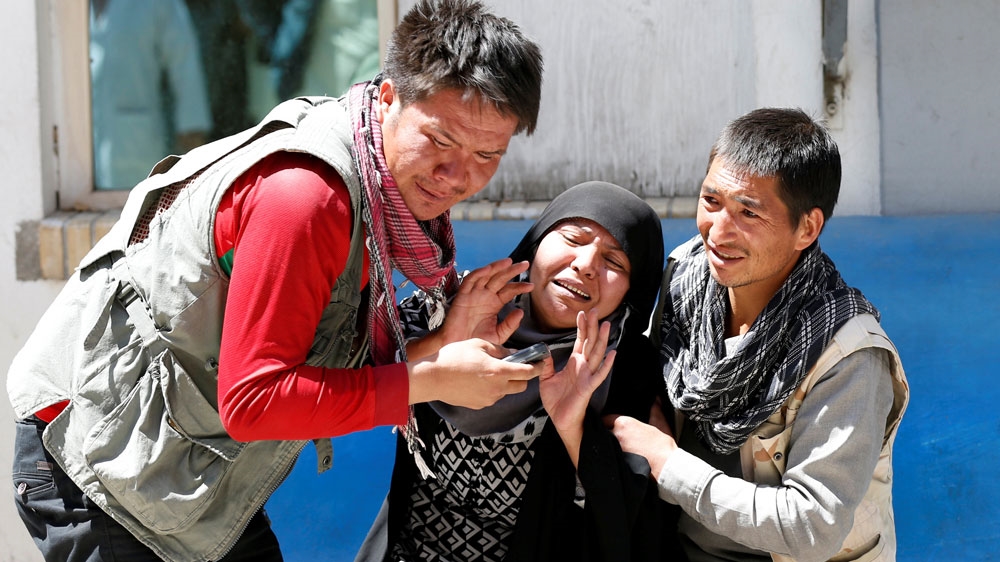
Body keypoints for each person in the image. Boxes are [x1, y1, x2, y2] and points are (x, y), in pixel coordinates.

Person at [7, 1, 543, 561]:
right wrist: (430, 379)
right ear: (388, 97)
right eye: (439, 141)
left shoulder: (382, 182)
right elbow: (253, 401)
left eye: (488, 154)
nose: (458, 177)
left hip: (186, 470)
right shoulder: (307, 199)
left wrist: (436, 350)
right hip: (97, 463)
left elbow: (298, 366)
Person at [607, 108, 910, 562]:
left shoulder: (847, 353)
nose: (718, 232)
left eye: (749, 212)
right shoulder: (686, 278)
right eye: (711, 202)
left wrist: (667, 464)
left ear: (806, 228)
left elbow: (812, 528)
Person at [355, 181, 682, 562]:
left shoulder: (625, 370)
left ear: (632, 290)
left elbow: (636, 523)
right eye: (573, 238)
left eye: (614, 262)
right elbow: (356, 373)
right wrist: (444, 341)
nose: (586, 265)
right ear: (537, 242)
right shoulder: (461, 305)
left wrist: (574, 427)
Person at [89, 0, 212, 189]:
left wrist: (191, 129)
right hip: (83, 148)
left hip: (137, 142)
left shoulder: (157, 3)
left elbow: (184, 60)